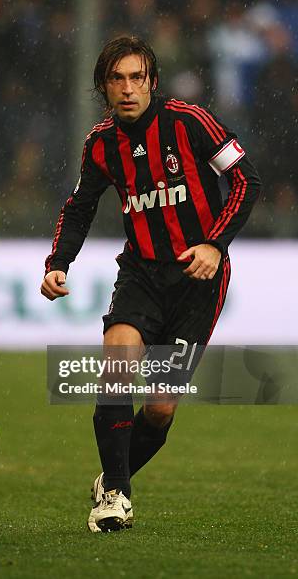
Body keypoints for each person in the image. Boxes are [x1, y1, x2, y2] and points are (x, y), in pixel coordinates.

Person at [41, 36, 261, 533]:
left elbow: (246, 180)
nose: (127, 88)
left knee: (160, 408)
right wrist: (59, 262)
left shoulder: (190, 122)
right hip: (141, 271)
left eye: (136, 77)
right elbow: (78, 207)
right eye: (116, 79)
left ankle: (111, 477)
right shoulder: (100, 144)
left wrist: (214, 244)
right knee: (117, 365)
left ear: (152, 82)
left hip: (197, 279)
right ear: (103, 87)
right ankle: (115, 497)